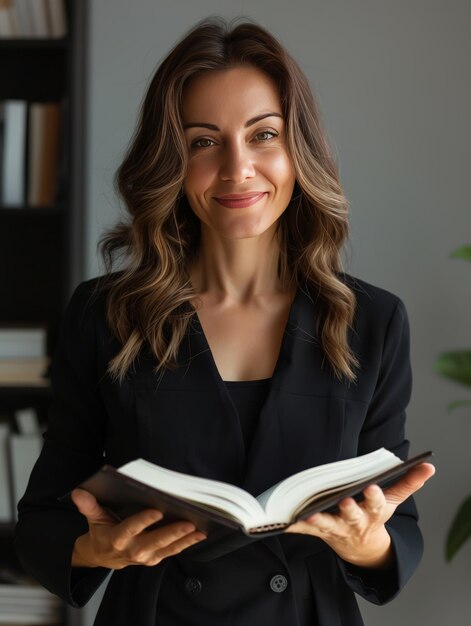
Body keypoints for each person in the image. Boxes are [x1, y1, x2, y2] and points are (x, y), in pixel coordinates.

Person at [15, 16, 435, 626]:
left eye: (263, 134)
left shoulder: (371, 319)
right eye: (203, 142)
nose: (238, 168)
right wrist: (92, 548)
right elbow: (45, 515)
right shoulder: (106, 314)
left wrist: (367, 542)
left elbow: (397, 527)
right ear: (171, 162)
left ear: (299, 149)